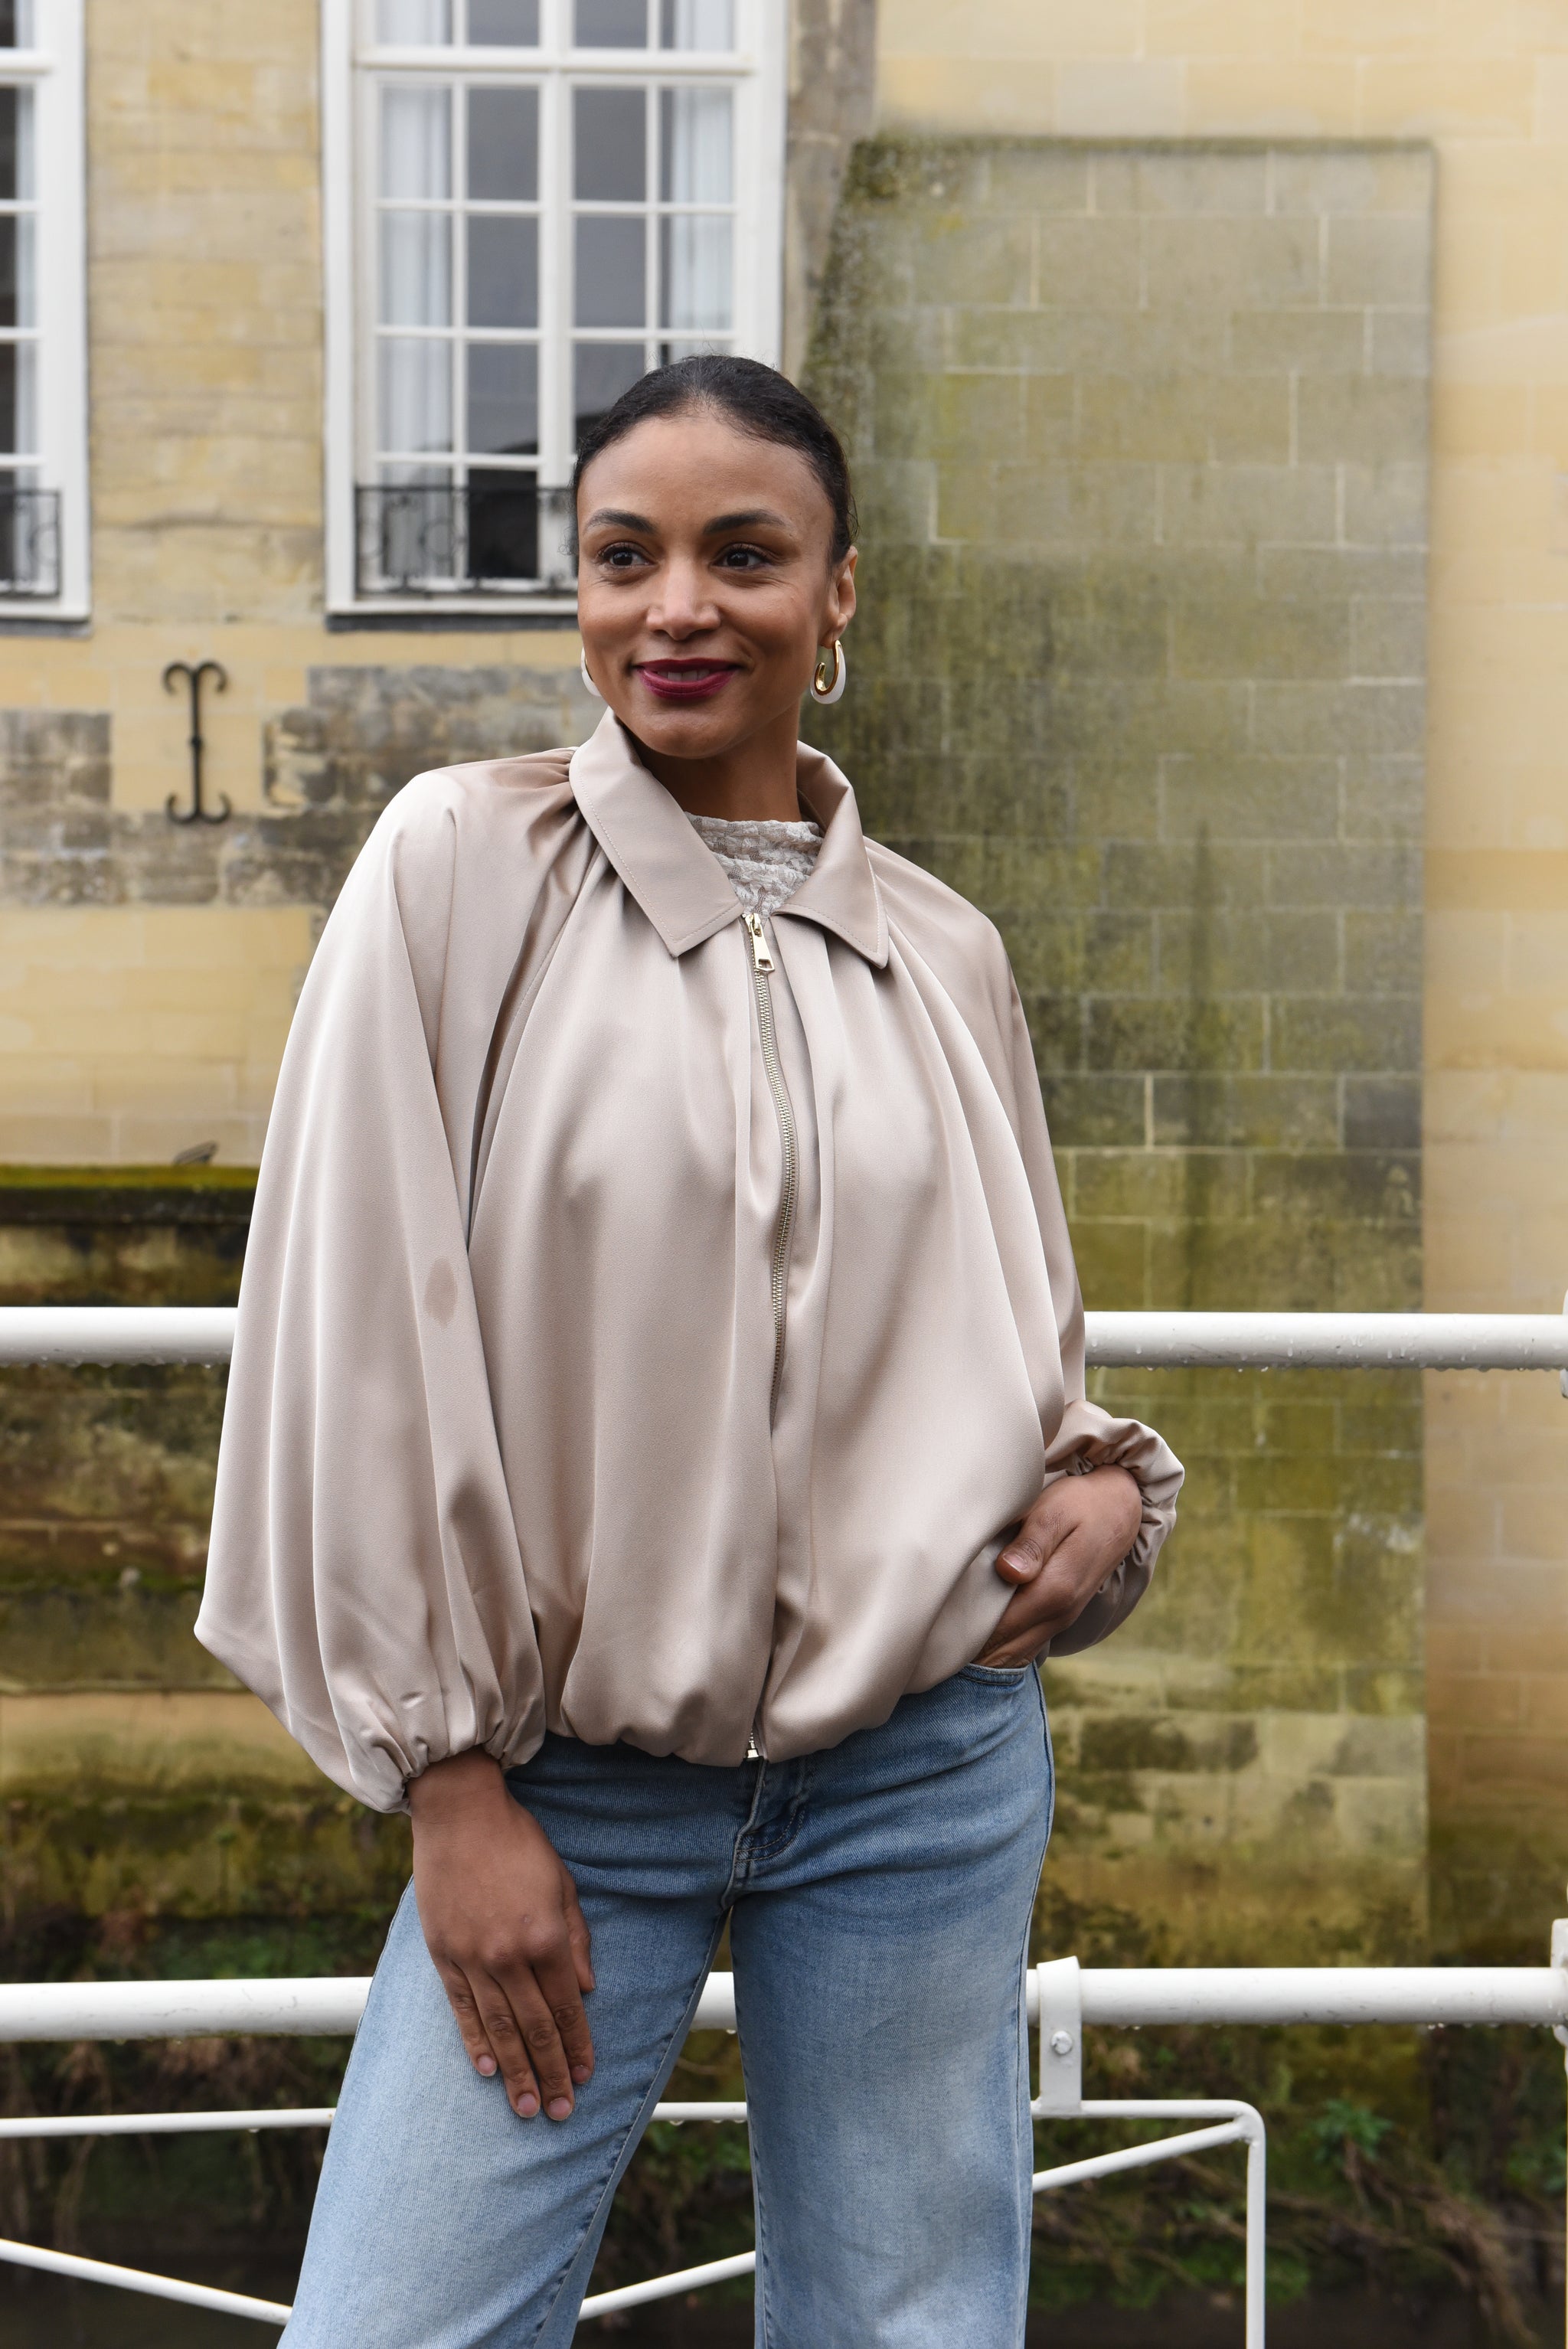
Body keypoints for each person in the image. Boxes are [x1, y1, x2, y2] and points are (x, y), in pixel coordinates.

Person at [196, 354, 1183, 2349]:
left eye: (745, 555)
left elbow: (1018, 1345)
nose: (677, 607)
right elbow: (361, 1331)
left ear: (838, 594)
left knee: (910, 2326)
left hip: (926, 1769)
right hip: (562, 1782)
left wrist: (1104, 1496)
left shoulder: (947, 951)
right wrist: (447, 1784)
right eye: (622, 555)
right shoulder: (455, 872)